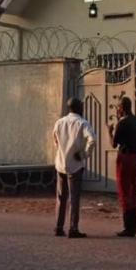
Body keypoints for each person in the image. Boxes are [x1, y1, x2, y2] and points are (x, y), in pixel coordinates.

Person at [53, 97, 96, 238]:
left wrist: (61, 150)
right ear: (79, 108)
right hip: (75, 164)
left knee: (61, 197)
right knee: (74, 197)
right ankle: (73, 228)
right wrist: (84, 154)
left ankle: (58, 227)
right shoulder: (82, 123)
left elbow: (55, 140)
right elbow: (92, 139)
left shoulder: (59, 123)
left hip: (60, 163)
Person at [108, 96, 136, 237]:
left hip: (125, 158)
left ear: (122, 108)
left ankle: (128, 227)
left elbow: (113, 144)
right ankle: (134, 226)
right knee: (133, 190)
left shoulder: (122, 123)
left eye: (118, 107)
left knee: (124, 191)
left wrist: (109, 131)